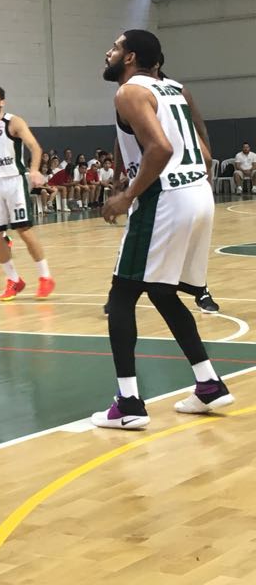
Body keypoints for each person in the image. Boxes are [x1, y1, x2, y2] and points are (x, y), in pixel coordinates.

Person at [93, 29, 233, 430]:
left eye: (115, 47)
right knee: (161, 291)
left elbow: (161, 148)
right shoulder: (173, 89)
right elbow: (203, 152)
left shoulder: (129, 92)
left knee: (121, 295)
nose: (108, 52)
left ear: (130, 57)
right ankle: (208, 383)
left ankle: (128, 404)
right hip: (197, 193)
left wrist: (127, 196)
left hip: (165, 198)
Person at [0, 85, 54, 301]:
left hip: (13, 182)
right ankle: (14, 280)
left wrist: (34, 170)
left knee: (24, 230)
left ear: (2, 102)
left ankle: (45, 277)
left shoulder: (13, 122)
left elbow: (35, 147)